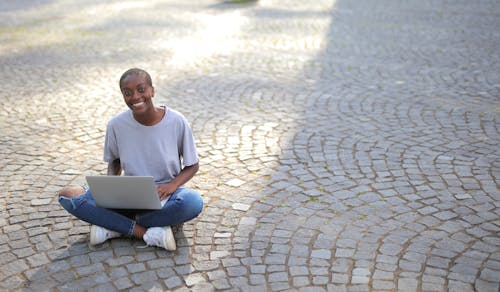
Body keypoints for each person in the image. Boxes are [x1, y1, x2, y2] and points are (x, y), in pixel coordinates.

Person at [57, 68, 203, 250]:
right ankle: (146, 232)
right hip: (128, 195)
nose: (135, 97)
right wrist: (111, 185)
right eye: (128, 93)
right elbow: (115, 160)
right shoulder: (116, 125)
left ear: (152, 91)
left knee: (192, 202)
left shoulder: (176, 121)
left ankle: (114, 227)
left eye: (141, 90)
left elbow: (192, 165)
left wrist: (172, 186)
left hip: (166, 195)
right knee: (67, 196)